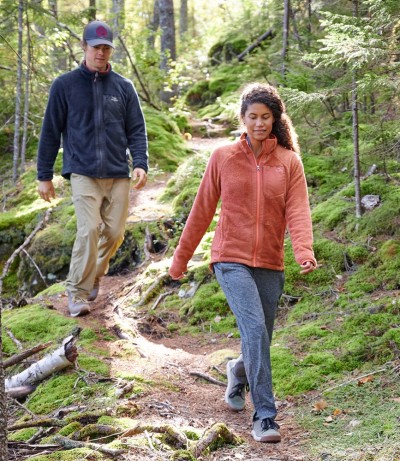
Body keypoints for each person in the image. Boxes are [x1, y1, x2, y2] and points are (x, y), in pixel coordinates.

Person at [169, 82, 317, 443]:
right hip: (229, 259)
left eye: (266, 117)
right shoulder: (222, 157)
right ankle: (265, 416)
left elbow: (298, 210)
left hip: (270, 261)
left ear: (275, 119)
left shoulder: (288, 161)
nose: (259, 123)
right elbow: (201, 210)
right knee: (254, 331)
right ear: (243, 118)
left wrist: (303, 250)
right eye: (253, 117)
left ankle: (238, 370)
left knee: (260, 338)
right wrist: (180, 260)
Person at [37, 20, 148, 317]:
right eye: (96, 47)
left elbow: (136, 129)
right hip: (82, 171)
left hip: (117, 172)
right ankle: (77, 292)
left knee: (114, 233)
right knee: (89, 230)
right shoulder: (65, 85)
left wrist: (140, 163)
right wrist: (43, 175)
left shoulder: (124, 87)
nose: (101, 53)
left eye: (106, 48)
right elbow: (50, 131)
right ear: (84, 47)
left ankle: (96, 271)